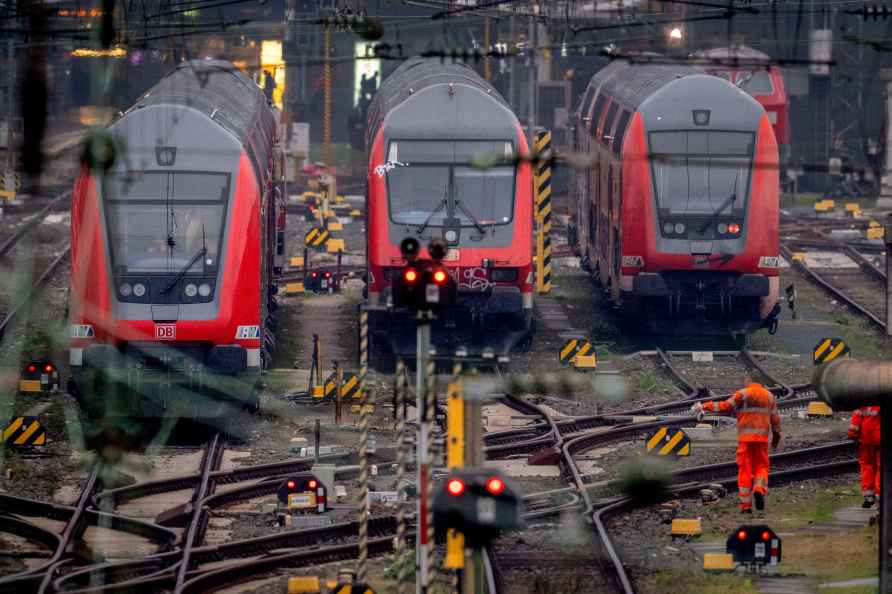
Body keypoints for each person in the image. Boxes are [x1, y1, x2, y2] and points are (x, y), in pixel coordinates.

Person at [692, 374, 782, 513]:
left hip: (745, 439)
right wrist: (775, 440)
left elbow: (725, 406)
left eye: (745, 380)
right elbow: (775, 421)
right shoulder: (770, 396)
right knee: (761, 467)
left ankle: (746, 507)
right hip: (761, 440)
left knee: (744, 470)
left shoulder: (743, 393)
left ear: (749, 380)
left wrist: (704, 406)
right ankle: (759, 489)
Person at [848, 406, 881, 508]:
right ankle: (879, 493)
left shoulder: (862, 400)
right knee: (882, 466)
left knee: (867, 465)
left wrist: (852, 435)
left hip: (865, 439)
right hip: (881, 438)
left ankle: (868, 495)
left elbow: (855, 422)